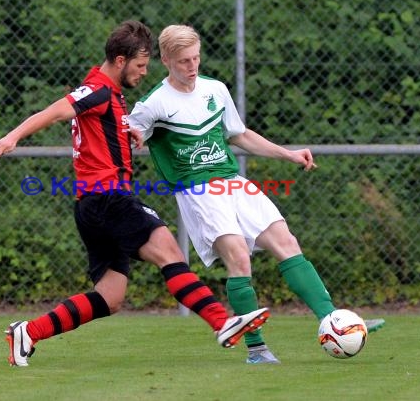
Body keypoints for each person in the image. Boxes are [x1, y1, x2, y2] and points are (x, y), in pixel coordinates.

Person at [0, 20, 269, 367]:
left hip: (90, 206)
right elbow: (57, 110)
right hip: (108, 199)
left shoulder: (112, 98)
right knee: (169, 251)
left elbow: (96, 131)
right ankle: (222, 323)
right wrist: (13, 136)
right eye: (140, 65)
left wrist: (126, 134)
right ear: (120, 60)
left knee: (111, 296)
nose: (145, 72)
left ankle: (28, 332)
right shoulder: (99, 89)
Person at [128, 24, 385, 365]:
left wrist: (289, 153)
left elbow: (239, 135)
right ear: (165, 60)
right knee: (239, 258)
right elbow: (124, 138)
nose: (192, 66)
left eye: (196, 58)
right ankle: (257, 349)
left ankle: (334, 321)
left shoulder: (215, 90)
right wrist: (125, 144)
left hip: (232, 182)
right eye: (184, 61)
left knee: (286, 242)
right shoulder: (153, 104)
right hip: (197, 191)